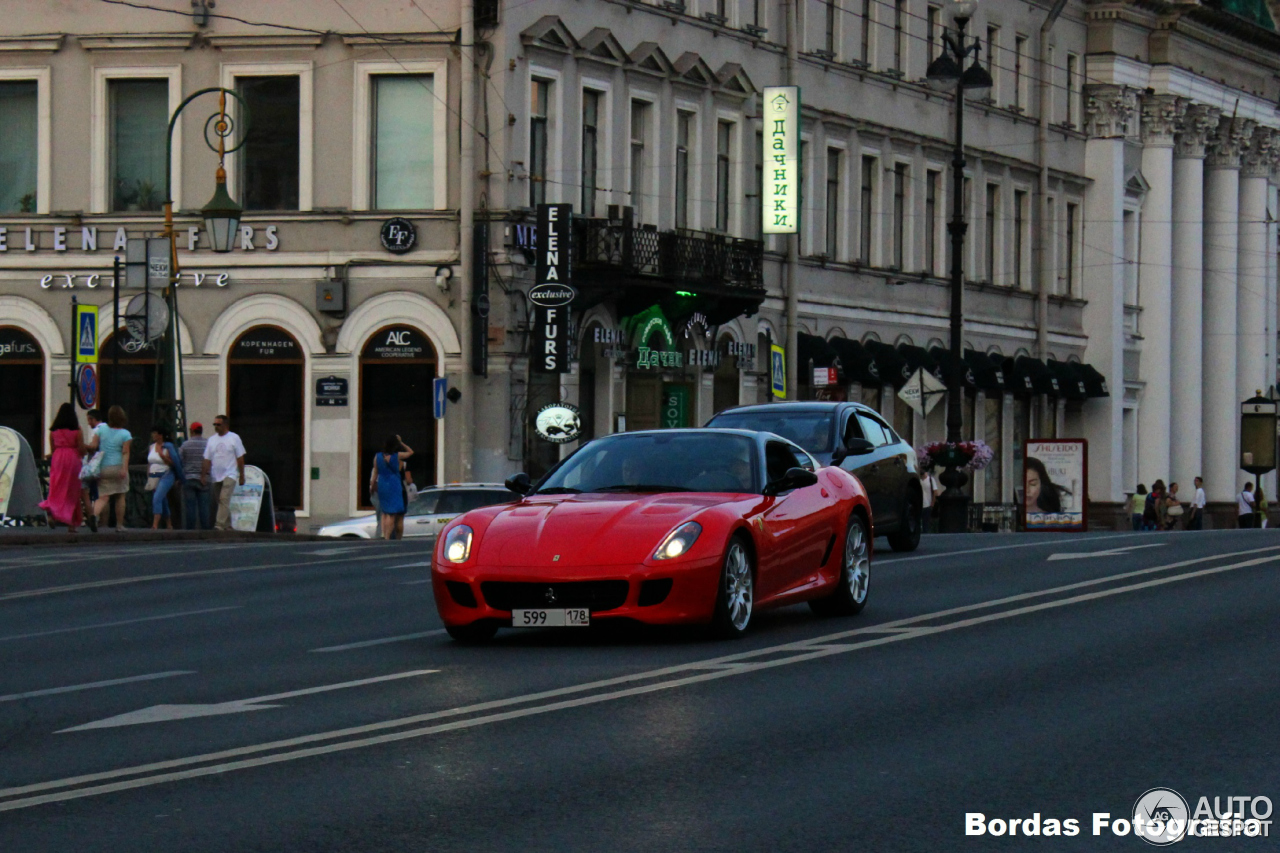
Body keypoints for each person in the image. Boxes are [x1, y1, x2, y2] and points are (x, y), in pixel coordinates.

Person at [39, 403, 86, 531]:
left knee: (57, 487)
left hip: (58, 458)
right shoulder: (77, 430)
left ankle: (52, 514)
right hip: (72, 459)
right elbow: (81, 447)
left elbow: (53, 448)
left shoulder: (53, 431)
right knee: (72, 490)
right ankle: (72, 524)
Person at [92, 405, 132, 532]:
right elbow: (125, 452)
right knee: (120, 496)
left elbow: (93, 446)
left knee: (103, 497)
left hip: (103, 468)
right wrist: (124, 469)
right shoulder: (126, 434)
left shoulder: (101, 430)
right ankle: (119, 525)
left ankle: (94, 515)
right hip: (118, 466)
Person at [202, 414, 246, 531]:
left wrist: (242, 475)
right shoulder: (211, 440)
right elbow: (207, 459)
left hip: (230, 474)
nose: (216, 426)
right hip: (216, 475)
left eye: (218, 424)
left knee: (224, 499)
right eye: (214, 424)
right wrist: (203, 475)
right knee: (220, 501)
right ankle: (228, 525)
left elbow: (240, 458)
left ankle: (219, 525)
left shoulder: (234, 438)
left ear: (225, 425)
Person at [371, 435, 413, 540]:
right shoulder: (397, 456)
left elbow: (375, 472)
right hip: (394, 484)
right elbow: (411, 452)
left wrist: (372, 485)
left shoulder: (378, 456)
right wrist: (401, 443)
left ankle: (385, 535)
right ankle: (389, 537)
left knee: (385, 512)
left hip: (382, 484)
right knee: (392, 514)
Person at [146, 426, 183, 530]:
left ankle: (155, 524)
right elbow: (149, 462)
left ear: (160, 435)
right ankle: (169, 523)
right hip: (154, 475)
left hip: (166, 474)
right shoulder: (151, 447)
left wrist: (163, 456)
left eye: (155, 433)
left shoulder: (167, 447)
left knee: (157, 497)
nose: (153, 435)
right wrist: (148, 475)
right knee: (163, 499)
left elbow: (173, 463)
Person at [179, 422, 211, 530]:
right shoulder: (208, 444)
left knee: (190, 506)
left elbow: (180, 460)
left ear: (191, 431)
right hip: (204, 479)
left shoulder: (185, 444)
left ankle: (190, 530)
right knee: (204, 506)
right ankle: (205, 529)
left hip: (189, 478)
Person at [920, 467, 941, 534]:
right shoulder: (918, 479)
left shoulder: (930, 480)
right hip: (919, 505)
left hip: (928, 505)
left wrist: (932, 504)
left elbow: (935, 492)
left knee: (926, 524)